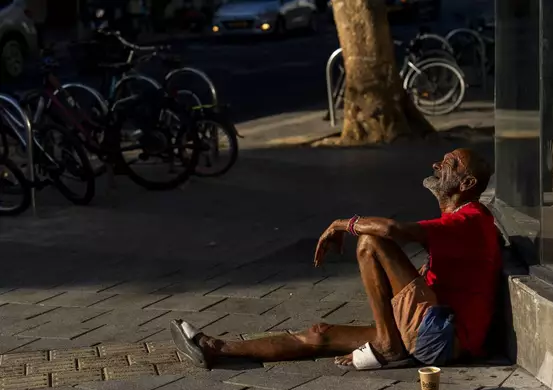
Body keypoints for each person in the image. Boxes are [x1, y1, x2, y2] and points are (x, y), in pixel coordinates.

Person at [171, 148, 501, 370]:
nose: (437, 166)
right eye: (442, 160)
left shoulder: (470, 218)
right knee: (320, 333)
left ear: (468, 183)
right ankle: (215, 349)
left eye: (451, 164)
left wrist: (342, 224)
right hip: (425, 327)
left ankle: (388, 345)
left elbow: (391, 229)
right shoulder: (462, 220)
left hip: (441, 337)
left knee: (370, 242)